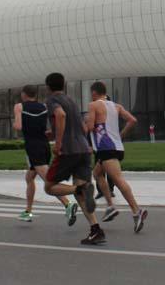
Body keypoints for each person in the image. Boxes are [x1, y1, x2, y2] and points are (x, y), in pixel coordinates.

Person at [44, 73, 105, 245]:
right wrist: (54, 132)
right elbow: (79, 125)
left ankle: (79, 189)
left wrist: (58, 142)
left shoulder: (51, 100)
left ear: (48, 87)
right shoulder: (71, 101)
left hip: (68, 150)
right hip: (84, 150)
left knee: (49, 187)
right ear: (63, 85)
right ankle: (96, 230)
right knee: (83, 197)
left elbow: (60, 115)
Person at [85, 81, 148, 232]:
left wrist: (85, 123)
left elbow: (91, 127)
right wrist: (121, 135)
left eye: (91, 93)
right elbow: (133, 120)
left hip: (106, 148)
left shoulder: (93, 105)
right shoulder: (116, 106)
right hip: (116, 147)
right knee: (97, 173)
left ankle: (136, 211)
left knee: (118, 180)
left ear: (94, 93)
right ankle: (110, 206)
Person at [12, 84, 74, 224]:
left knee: (49, 180)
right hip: (44, 145)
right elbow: (51, 127)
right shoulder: (44, 107)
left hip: (32, 146)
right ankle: (28, 211)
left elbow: (19, 126)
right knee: (29, 177)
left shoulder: (19, 107)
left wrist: (14, 124)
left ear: (24, 94)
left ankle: (68, 203)